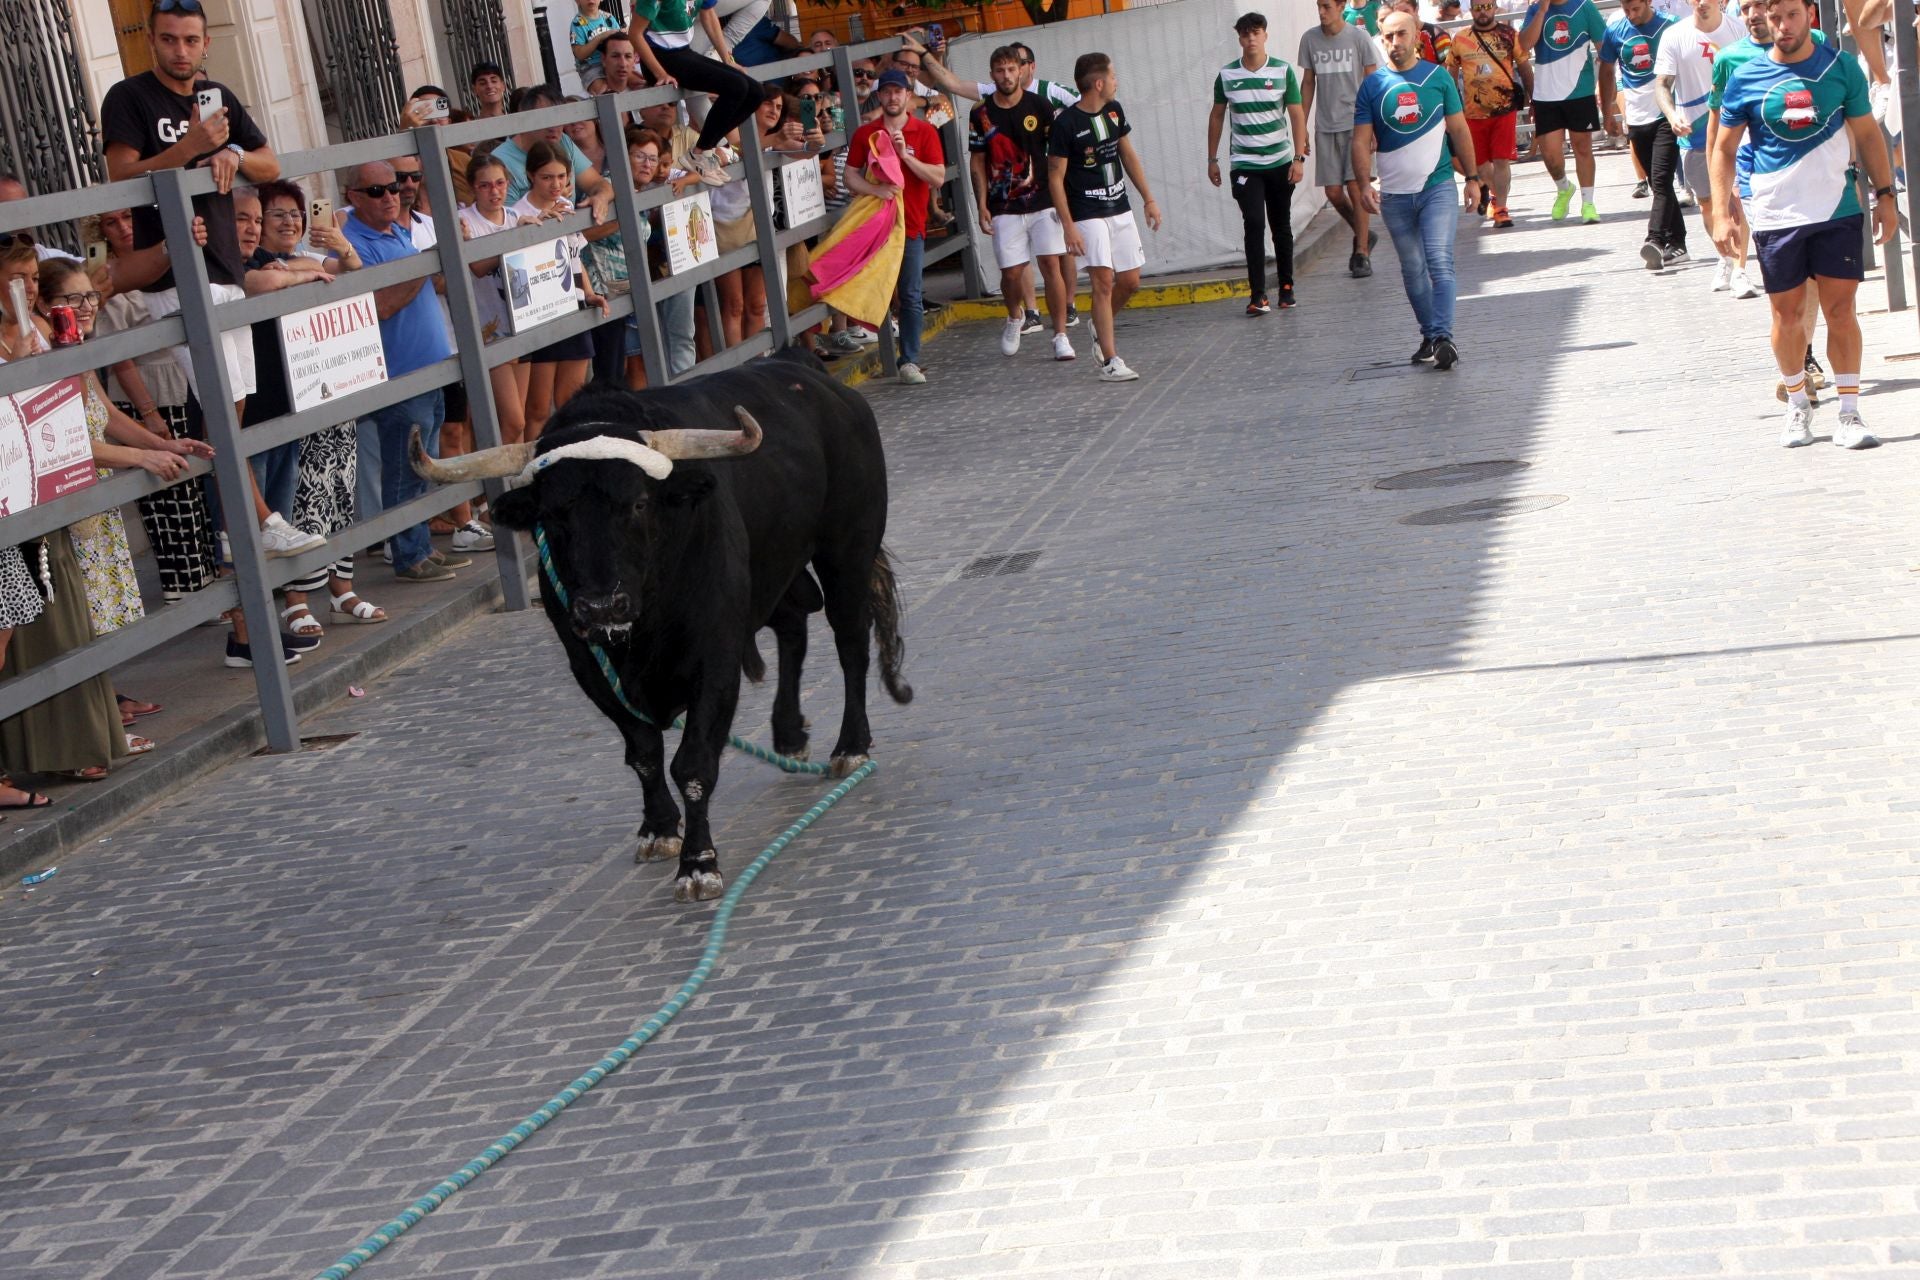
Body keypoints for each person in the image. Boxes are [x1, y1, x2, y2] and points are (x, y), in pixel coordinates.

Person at [1711, 0, 1895, 449]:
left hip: (1836, 210)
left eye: (1792, 14)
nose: (1783, 25)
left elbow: (1868, 134)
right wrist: (1721, 212)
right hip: (1777, 215)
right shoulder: (1745, 77)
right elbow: (1722, 149)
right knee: (1786, 316)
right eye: (1775, 16)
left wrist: (1886, 195)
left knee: (1841, 312)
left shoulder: (1841, 66)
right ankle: (1798, 406)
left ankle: (1849, 415)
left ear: (1810, 14)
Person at [248, 180, 387, 631]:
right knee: (300, 498)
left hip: (330, 387)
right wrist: (306, 273)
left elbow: (352, 265)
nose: (290, 222)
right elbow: (266, 285)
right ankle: (297, 598)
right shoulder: (251, 266)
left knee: (340, 490)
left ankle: (341, 589)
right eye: (277, 215)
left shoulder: (306, 258)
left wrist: (340, 246)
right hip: (283, 396)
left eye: (296, 214)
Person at [902, 31, 1084, 330]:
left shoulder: (1051, 94)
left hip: (1053, 182)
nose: (1013, 71)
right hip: (1011, 195)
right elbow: (953, 84)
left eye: (1019, 64)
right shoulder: (991, 96)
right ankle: (1031, 312)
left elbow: (1087, 109)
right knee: (1020, 261)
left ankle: (1069, 306)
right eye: (1004, 67)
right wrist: (924, 54)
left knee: (1059, 254)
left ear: (1030, 66)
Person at [340, 161, 461, 581]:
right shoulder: (353, 241)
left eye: (393, 187)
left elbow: (429, 285)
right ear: (352, 196)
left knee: (423, 463)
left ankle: (421, 545)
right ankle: (407, 554)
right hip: (398, 374)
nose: (390, 196)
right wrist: (425, 265)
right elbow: (381, 304)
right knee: (404, 465)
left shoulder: (400, 232)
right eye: (376, 191)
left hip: (429, 368)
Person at [91, 207, 219, 603]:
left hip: (181, 381)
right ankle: (184, 590)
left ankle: (207, 583)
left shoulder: (159, 262)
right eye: (112, 223)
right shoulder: (106, 278)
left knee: (192, 490)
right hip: (145, 394)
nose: (124, 228)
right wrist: (149, 414)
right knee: (168, 499)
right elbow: (119, 356)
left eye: (129, 218)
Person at [1352, 8, 1481, 371]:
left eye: (1402, 34)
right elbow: (1360, 142)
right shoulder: (1372, 86)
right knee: (1412, 267)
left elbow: (1459, 130)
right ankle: (1433, 336)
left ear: (1417, 34)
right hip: (1394, 195)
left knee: (1439, 260)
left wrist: (1472, 178)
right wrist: (1364, 183)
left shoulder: (1438, 78)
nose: (1396, 42)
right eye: (1389, 36)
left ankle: (1442, 336)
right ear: (1381, 38)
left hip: (1437, 188)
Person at [1048, 52, 1163, 383]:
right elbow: (1055, 176)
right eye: (1112, 76)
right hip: (1086, 211)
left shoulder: (1115, 110)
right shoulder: (1066, 124)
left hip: (1120, 206)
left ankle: (1099, 324)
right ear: (1098, 83)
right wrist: (1068, 225)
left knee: (1130, 282)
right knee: (1102, 280)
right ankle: (1111, 361)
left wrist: (1149, 199)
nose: (1116, 81)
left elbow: (1127, 153)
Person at [846, 68, 946, 385]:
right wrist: (875, 190)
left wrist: (905, 156)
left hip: (912, 225)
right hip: (875, 226)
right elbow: (850, 175)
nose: (892, 97)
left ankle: (909, 360)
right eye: (887, 91)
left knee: (911, 294)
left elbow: (938, 177)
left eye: (898, 91)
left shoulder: (924, 131)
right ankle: (883, 348)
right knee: (878, 289)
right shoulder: (867, 133)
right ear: (880, 95)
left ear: (907, 95)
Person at [970, 45, 1071, 359]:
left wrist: (1062, 196)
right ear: (992, 75)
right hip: (1004, 204)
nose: (1006, 76)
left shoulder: (1040, 105)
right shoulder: (980, 114)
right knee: (1011, 273)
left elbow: (1056, 154)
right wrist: (982, 205)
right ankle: (1015, 316)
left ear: (1023, 71)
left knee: (1050, 264)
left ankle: (1060, 336)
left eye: (1012, 69)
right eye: (1000, 71)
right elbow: (977, 162)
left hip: (1042, 199)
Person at [509, 141, 610, 434]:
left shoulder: (567, 206)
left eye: (562, 176)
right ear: (530, 176)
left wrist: (589, 293)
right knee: (538, 409)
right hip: (539, 315)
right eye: (547, 177)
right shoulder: (518, 213)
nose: (556, 184)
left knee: (572, 402)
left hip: (571, 308)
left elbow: (574, 257)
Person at [1209, 12, 1307, 314]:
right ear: (1239, 38)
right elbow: (1216, 116)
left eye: (1256, 32)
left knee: (1280, 224)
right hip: (1245, 165)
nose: (1251, 38)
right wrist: (1212, 159)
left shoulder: (1282, 71)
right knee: (1253, 222)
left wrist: (1298, 157)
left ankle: (1286, 287)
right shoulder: (1227, 75)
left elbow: (1296, 113)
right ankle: (1258, 295)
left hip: (1279, 162)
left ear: (1265, 35)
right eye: (1245, 33)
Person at [1656, 0, 1747, 288]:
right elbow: (1662, 84)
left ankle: (1740, 271)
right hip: (1695, 132)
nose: (1702, 2)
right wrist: (1671, 116)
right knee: (1708, 203)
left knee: (1737, 199)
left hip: (1735, 127)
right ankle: (1725, 257)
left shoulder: (1739, 30)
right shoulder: (1674, 35)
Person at [627, 0, 764, 187]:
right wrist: (661, 73)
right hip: (660, 57)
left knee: (755, 92)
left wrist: (727, 59)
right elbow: (634, 34)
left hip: (683, 51)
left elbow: (708, 13)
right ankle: (701, 152)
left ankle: (702, 151)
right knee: (736, 86)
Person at [1300, 0, 1381, 278]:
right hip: (1326, 125)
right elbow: (1308, 82)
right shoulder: (1310, 39)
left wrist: (1375, 128)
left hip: (1357, 124)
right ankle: (1363, 232)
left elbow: (1374, 81)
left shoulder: (1359, 37)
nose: (1322, 12)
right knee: (1332, 192)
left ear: (1341, 5)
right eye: (1318, 7)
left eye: (1326, 6)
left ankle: (1361, 253)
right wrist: (1301, 127)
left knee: (1356, 187)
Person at [1600, 0, 1681, 262]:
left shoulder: (1670, 27)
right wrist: (1607, 112)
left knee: (1660, 180)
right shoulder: (1615, 31)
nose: (1631, 15)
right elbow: (1606, 71)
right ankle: (1678, 243)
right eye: (1626, 10)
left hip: (1666, 114)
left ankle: (1654, 239)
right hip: (1635, 117)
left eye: (1636, 8)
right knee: (1661, 185)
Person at [1520, 0, 1607, 223]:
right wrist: (1541, 11)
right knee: (1550, 153)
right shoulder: (1535, 9)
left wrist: (1604, 81)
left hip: (1580, 89)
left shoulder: (1584, 6)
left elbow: (1604, 47)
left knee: (1583, 147)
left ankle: (1588, 203)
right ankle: (1564, 188)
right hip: (1546, 94)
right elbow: (1524, 45)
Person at [1449, 0, 1531, 228]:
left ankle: (1502, 208)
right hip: (1473, 112)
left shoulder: (1509, 34)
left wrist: (1532, 99)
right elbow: (1451, 73)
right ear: (1470, 10)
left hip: (1504, 109)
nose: (1482, 12)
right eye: (1478, 7)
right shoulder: (1460, 39)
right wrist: (1450, 106)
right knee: (1482, 165)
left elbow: (1524, 66)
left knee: (1501, 160)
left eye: (1487, 7)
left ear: (1495, 8)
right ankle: (1494, 195)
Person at [489, 84, 618, 221]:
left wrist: (601, 197)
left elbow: (597, 183)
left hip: (570, 237)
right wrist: (550, 199)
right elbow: (505, 224)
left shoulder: (562, 141)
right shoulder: (500, 163)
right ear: (525, 120)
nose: (554, 127)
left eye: (559, 119)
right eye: (546, 120)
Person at [572, 0, 623, 93]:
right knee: (602, 90)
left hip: (612, 62)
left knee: (635, 81)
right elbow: (579, 54)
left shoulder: (609, 18)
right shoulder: (578, 23)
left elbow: (621, 42)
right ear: (577, 1)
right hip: (591, 66)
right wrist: (599, 38)